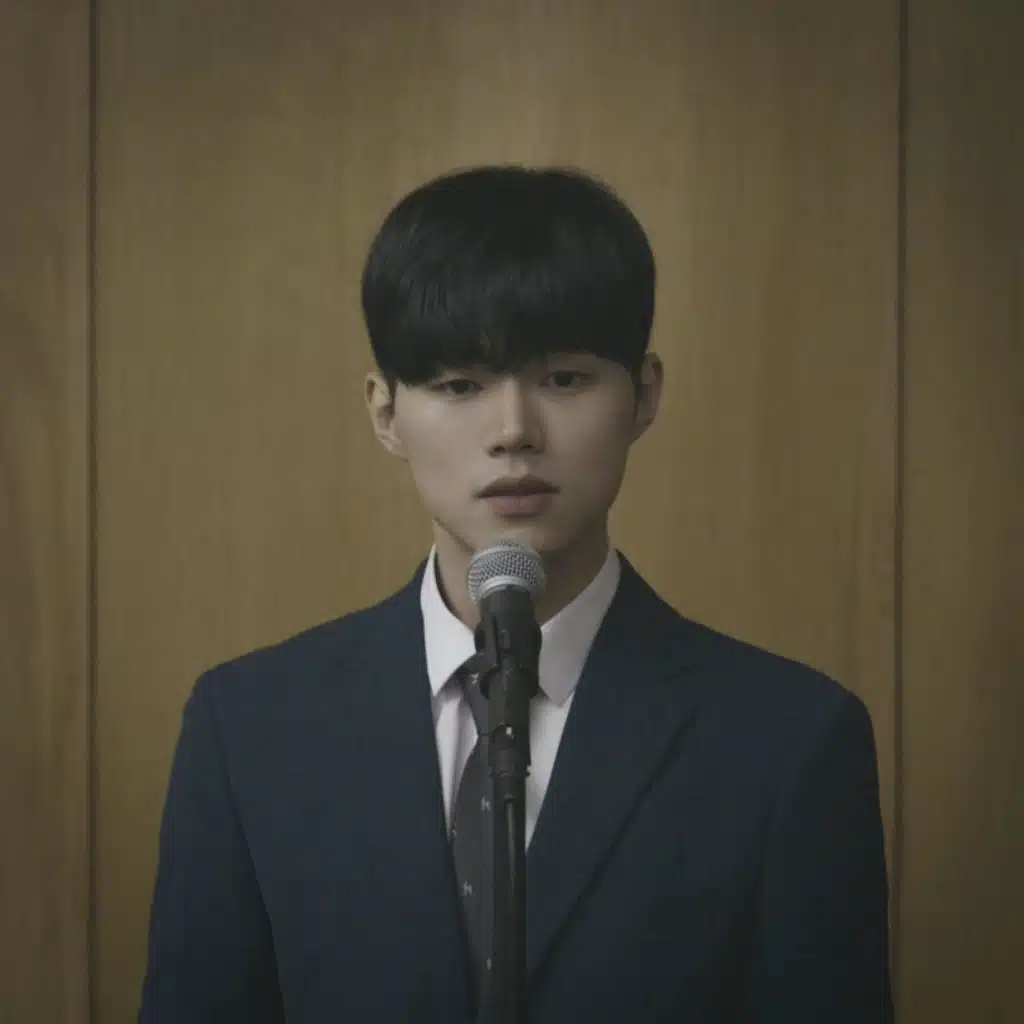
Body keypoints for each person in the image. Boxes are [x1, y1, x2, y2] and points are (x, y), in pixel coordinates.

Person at [138, 166, 893, 1022]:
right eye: (459, 385)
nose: (514, 432)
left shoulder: (787, 741)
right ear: (385, 413)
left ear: (644, 394)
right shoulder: (250, 727)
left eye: (565, 379)